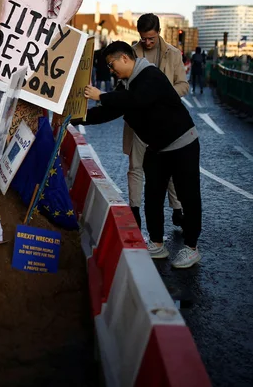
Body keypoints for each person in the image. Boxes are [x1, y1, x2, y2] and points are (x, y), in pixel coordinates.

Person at [82, 41, 202, 268]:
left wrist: (101, 96)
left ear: (125, 58)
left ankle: (192, 247)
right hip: (157, 147)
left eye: (111, 64)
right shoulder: (126, 84)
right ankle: (157, 243)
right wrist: (78, 117)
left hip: (182, 143)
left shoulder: (150, 76)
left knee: (189, 196)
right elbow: (111, 111)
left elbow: (137, 101)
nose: (110, 69)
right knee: (152, 197)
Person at [124, 13, 190, 228]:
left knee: (169, 168)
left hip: (164, 122)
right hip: (139, 121)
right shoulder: (131, 54)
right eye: (143, 38)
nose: (148, 42)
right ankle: (134, 211)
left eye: (151, 38)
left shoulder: (173, 53)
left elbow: (183, 85)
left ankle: (178, 209)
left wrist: (163, 95)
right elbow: (124, 86)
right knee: (135, 167)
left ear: (159, 33)